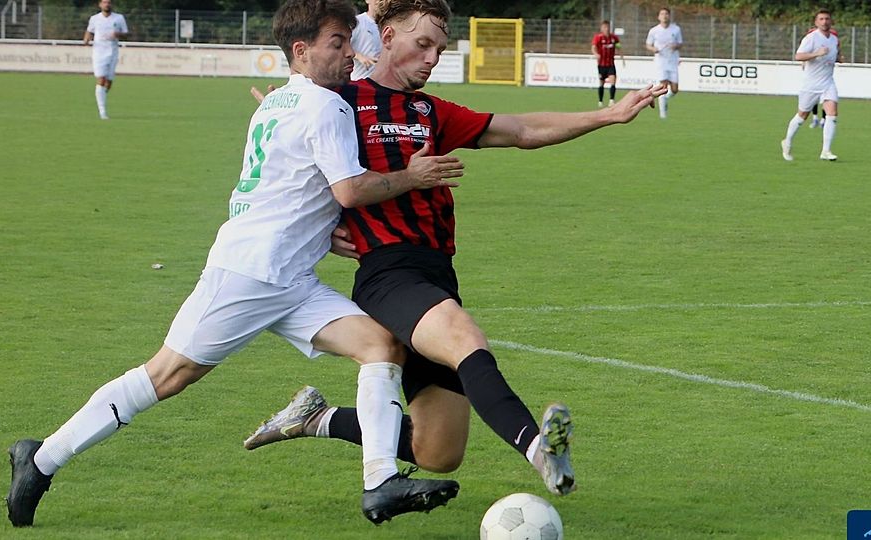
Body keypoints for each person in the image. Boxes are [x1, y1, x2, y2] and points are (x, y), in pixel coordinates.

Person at [6, 0, 467, 528]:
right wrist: (416, 176)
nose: (350, 54)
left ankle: (380, 481)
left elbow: (301, 186)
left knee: (380, 345)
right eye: (338, 44)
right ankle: (40, 459)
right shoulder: (327, 106)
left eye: (348, 42)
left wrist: (325, 232)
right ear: (302, 50)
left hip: (290, 278)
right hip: (250, 273)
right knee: (167, 374)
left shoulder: (277, 103)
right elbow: (350, 188)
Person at [244, 0, 666, 498]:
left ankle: (317, 418)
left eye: (440, 49)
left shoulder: (430, 111)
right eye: (422, 44)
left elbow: (522, 130)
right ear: (385, 37)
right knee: (466, 338)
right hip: (387, 273)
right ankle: (540, 451)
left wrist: (607, 115)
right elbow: (295, 156)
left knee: (438, 451)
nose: (431, 58)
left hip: (438, 272)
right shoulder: (340, 99)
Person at [781, 9, 842, 161]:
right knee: (802, 116)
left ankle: (826, 151)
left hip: (828, 82)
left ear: (831, 21)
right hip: (811, 84)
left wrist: (838, 58)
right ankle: (787, 141)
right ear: (816, 22)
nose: (824, 21)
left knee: (832, 113)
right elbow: (798, 56)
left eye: (827, 19)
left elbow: (835, 53)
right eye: (821, 19)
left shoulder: (834, 38)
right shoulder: (811, 38)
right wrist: (816, 54)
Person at [84, 0, 128, 120]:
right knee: (101, 79)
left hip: (113, 52)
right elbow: (89, 31)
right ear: (100, 4)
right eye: (104, 2)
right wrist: (86, 40)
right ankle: (102, 111)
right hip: (98, 53)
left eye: (108, 2)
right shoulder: (94, 18)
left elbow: (125, 33)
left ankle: (101, 95)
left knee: (108, 82)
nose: (106, 4)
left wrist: (117, 34)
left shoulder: (119, 18)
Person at [645, 7, 683, 119]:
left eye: (666, 14)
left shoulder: (676, 29)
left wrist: (675, 46)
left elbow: (680, 43)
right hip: (661, 62)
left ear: (669, 16)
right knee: (663, 86)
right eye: (662, 14)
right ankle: (663, 114)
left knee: (675, 89)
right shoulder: (654, 30)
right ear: (658, 17)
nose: (664, 16)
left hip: (673, 61)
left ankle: (666, 98)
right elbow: (648, 45)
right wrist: (654, 49)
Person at [591, 20, 625, 108]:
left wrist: (622, 58)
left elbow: (619, 47)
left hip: (610, 64)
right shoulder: (598, 38)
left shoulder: (614, 38)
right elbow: (593, 47)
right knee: (601, 82)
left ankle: (611, 100)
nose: (607, 29)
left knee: (613, 80)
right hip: (601, 64)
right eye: (605, 27)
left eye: (608, 27)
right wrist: (596, 54)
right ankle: (600, 100)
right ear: (601, 28)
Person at [351, 0, 381, 80]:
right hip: (359, 81)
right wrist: (360, 56)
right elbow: (342, 47)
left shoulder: (388, 25)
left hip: (382, 84)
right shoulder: (357, 22)